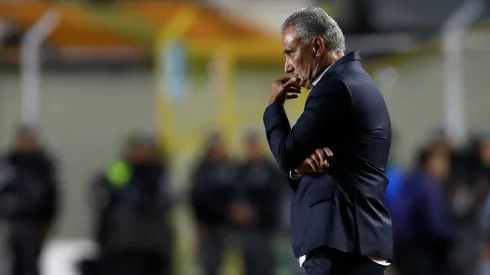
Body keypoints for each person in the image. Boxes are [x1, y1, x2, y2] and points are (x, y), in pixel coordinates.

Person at [262, 7, 392, 275]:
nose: (287, 66)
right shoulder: (358, 81)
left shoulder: (335, 86)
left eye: (291, 52)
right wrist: (299, 170)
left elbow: (287, 152)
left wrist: (274, 106)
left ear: (317, 45)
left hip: (338, 242)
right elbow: (307, 164)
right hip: (357, 239)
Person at [0, 125, 59, 275]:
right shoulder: (9, 161)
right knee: (13, 262)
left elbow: (52, 193)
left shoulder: (43, 164)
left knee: (30, 262)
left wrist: (48, 220)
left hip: (34, 223)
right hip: (12, 221)